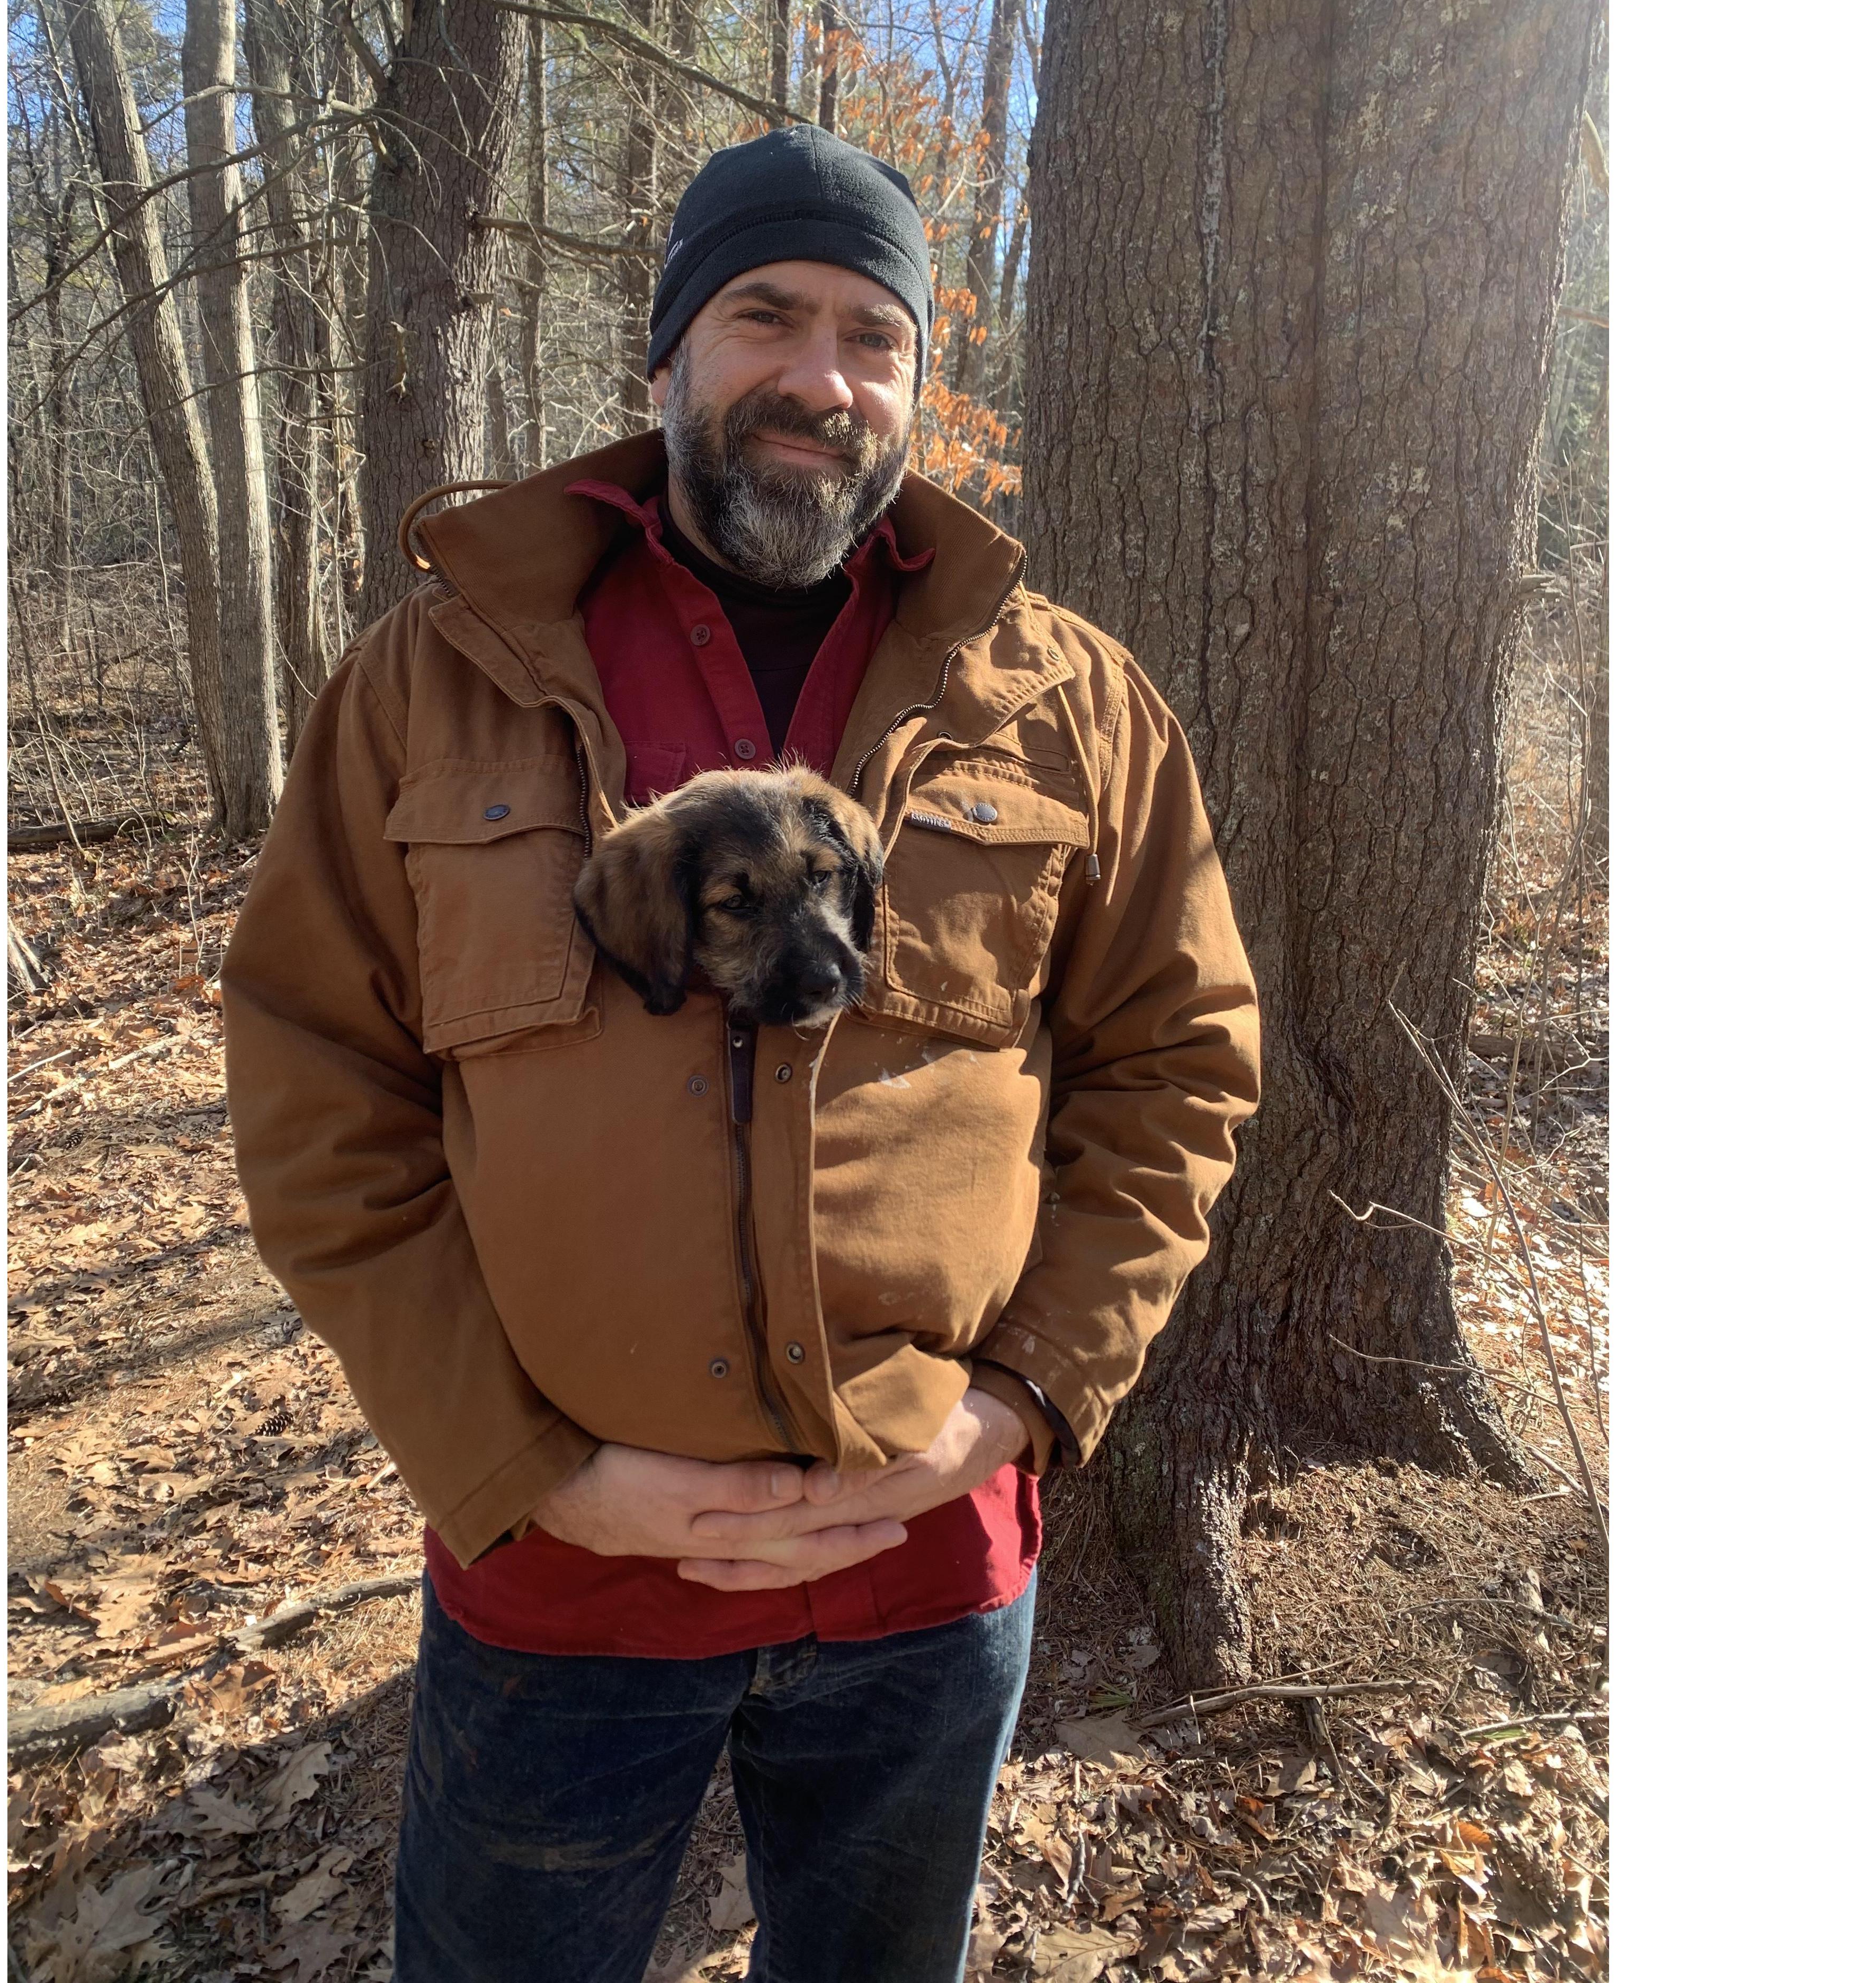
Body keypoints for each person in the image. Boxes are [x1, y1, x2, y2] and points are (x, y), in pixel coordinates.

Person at [222, 126, 1261, 1983]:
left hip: (930, 1588)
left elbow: (1179, 1067)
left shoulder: (1076, 702)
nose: (820, 376)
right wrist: (517, 1459)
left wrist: (1014, 1406)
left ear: (919, 387)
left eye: (875, 335)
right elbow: (317, 1087)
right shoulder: (434, 677)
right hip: (559, 1590)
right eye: (765, 316)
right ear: (670, 356)